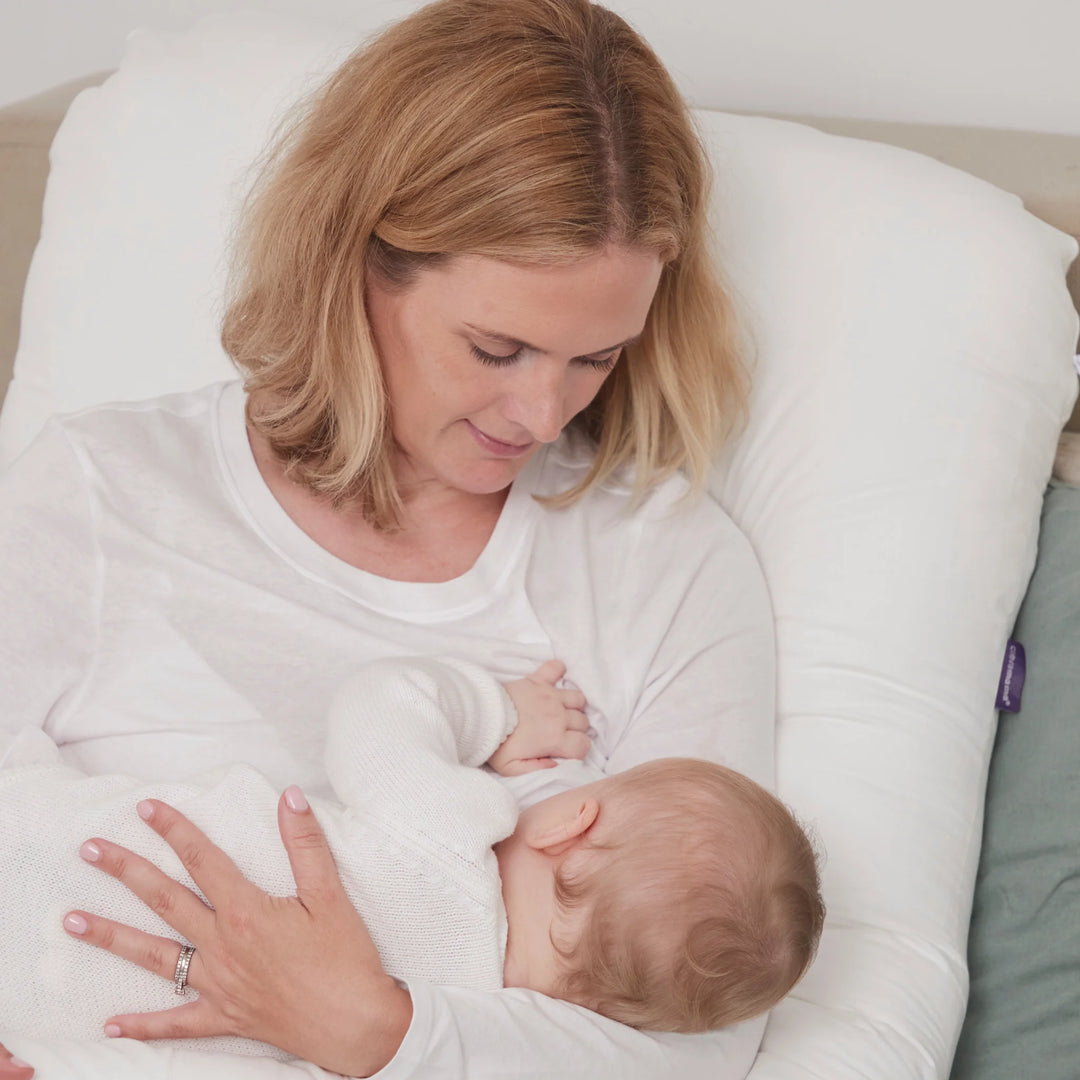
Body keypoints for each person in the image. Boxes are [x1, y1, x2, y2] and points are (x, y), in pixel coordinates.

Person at [0, 0, 778, 1077]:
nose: (543, 414)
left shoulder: (661, 566)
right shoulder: (100, 493)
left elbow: (705, 1040)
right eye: (497, 347)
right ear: (356, 267)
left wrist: (382, 1035)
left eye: (596, 358)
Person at [0, 658, 822, 1053]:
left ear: (571, 823)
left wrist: (500, 711)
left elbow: (379, 707)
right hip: (57, 1022)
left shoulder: (457, 827)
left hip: (51, 839)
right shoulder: (458, 1031)